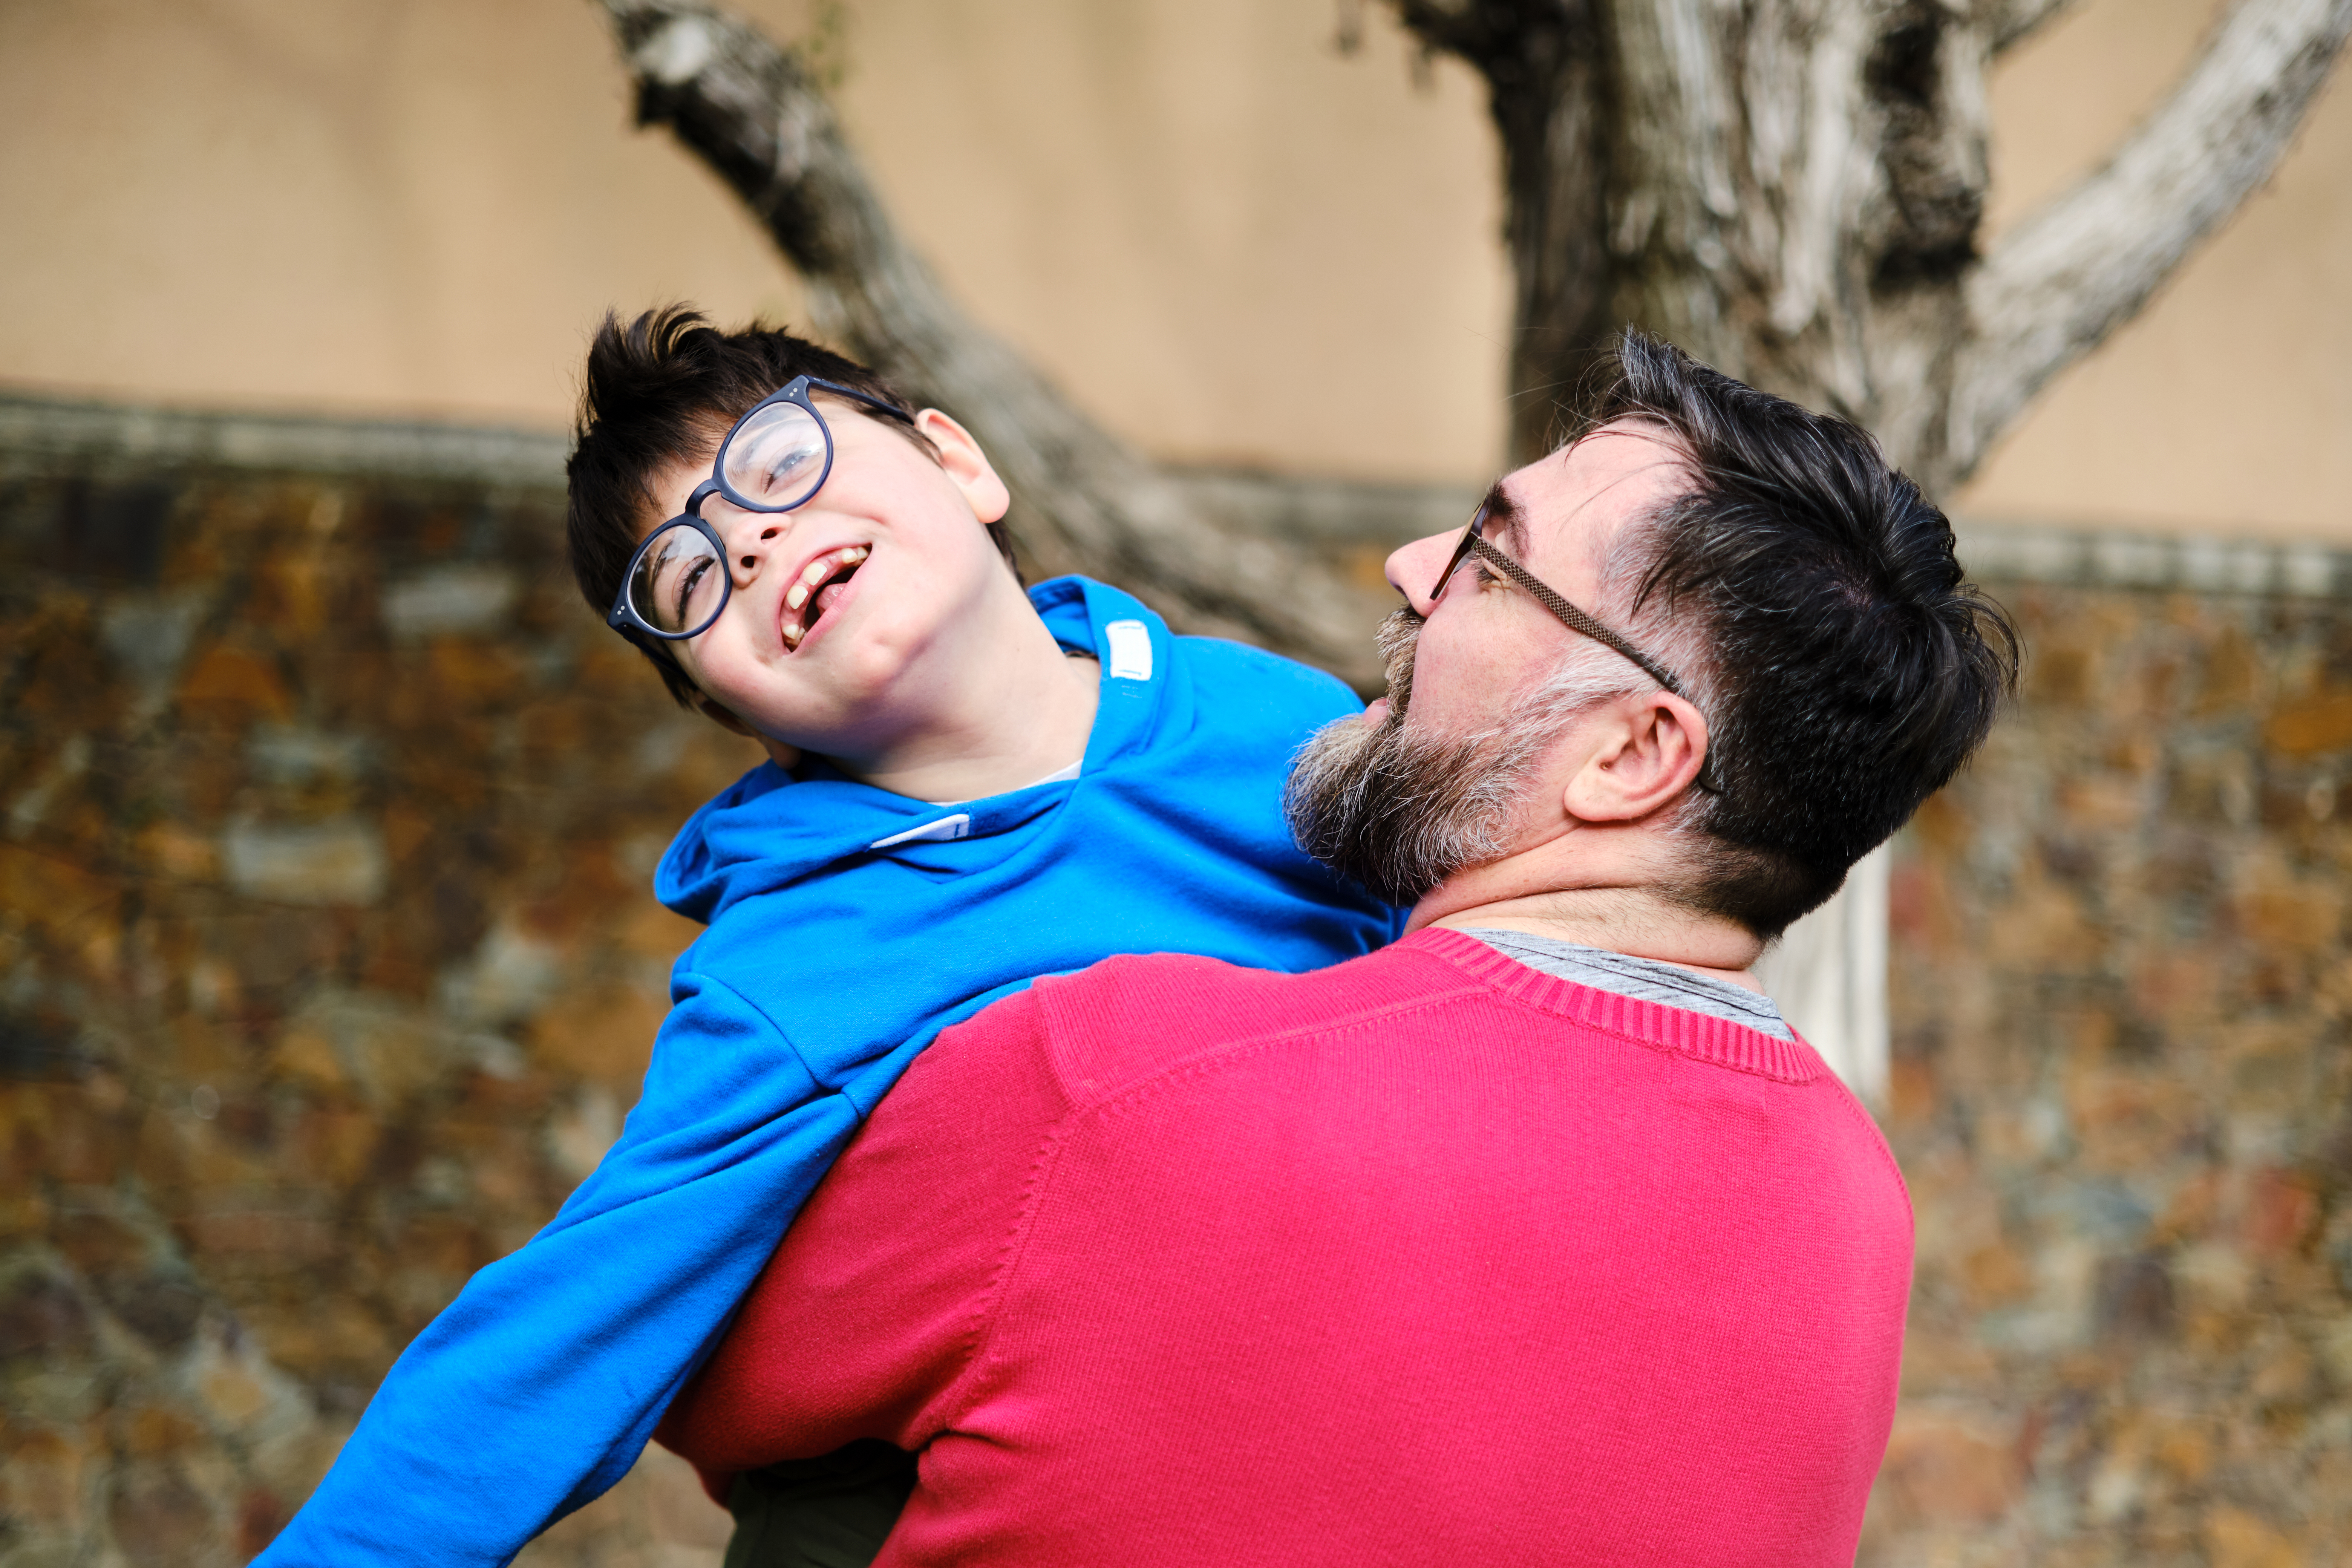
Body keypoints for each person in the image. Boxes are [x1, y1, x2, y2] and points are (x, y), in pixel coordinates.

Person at [657, 332, 2019, 1566]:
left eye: (1491, 558)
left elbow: (708, 1384)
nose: (1412, 566)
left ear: (1629, 755)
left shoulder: (1102, 1084)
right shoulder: (1862, 1219)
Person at [254, 308, 1400, 1567]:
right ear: (736, 712)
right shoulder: (797, 966)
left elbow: (1468, 988)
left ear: (959, 462)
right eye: (688, 581)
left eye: (779, 462)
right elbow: (570, 1322)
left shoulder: (1271, 722)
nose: (747, 541)